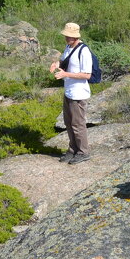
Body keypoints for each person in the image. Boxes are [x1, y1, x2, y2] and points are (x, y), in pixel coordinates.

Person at [49, 21, 92, 164]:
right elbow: (64, 61)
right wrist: (56, 64)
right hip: (69, 91)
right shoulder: (68, 47)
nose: (67, 38)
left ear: (76, 36)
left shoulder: (84, 51)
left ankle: (83, 152)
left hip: (78, 93)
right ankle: (72, 149)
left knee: (77, 124)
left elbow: (87, 75)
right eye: (66, 36)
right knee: (68, 122)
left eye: (69, 36)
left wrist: (65, 75)